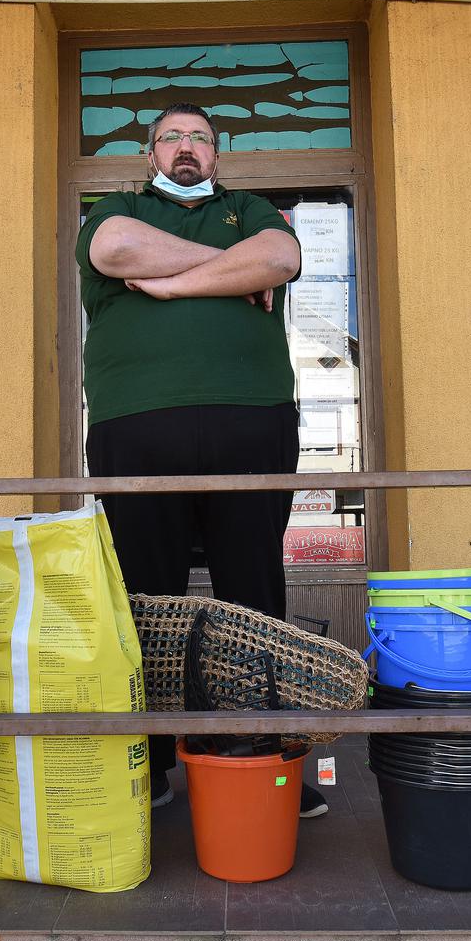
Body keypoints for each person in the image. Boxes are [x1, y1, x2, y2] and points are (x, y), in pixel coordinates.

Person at [74, 101, 327, 819]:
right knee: (148, 596)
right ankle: (149, 762)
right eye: (171, 138)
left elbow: (281, 259)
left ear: (217, 154)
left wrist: (173, 281)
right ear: (151, 153)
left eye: (199, 138)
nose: (186, 147)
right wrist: (231, 271)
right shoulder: (118, 206)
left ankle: (258, 753)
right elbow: (115, 251)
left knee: (252, 592)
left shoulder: (249, 210)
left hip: (252, 422)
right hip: (136, 427)